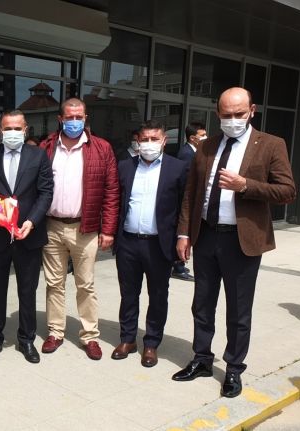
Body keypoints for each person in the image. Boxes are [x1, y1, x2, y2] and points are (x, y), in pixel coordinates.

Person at [172, 87, 296, 398]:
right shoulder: (206, 146)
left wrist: (246, 186)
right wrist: (184, 233)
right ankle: (202, 358)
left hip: (242, 240)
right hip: (206, 235)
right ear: (218, 114)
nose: (233, 120)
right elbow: (190, 194)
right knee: (202, 303)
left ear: (252, 110)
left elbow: (287, 191)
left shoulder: (271, 144)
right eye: (226, 115)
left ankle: (233, 368)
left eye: (239, 114)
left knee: (238, 310)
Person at [38, 97, 119, 360]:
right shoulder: (47, 147)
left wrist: (108, 230)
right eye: (70, 117)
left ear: (85, 118)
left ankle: (90, 336)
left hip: (85, 228)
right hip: (52, 227)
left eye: (79, 117)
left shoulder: (101, 148)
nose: (75, 121)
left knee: (86, 285)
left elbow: (111, 191)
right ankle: (55, 332)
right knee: (54, 284)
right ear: (60, 119)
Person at [0, 110, 53, 364]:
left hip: (28, 235)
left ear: (25, 129)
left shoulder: (38, 156)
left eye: (17, 128)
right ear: (0, 131)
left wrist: (32, 221)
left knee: (27, 291)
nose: (12, 132)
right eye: (8, 128)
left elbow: (46, 192)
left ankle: (26, 339)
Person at [112, 120, 188, 367]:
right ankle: (127, 339)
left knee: (157, 295)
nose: (149, 144)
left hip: (159, 244)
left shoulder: (178, 168)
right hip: (128, 242)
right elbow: (116, 200)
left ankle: (151, 343)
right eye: (144, 139)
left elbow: (185, 207)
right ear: (137, 141)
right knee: (128, 294)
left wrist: (183, 236)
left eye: (154, 139)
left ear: (164, 141)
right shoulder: (125, 166)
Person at [171, 122, 207, 282]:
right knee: (182, 234)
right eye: (202, 135)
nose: (205, 137)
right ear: (193, 138)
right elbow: (186, 181)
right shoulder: (187, 154)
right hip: (182, 202)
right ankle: (178, 267)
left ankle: (180, 264)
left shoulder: (194, 151)